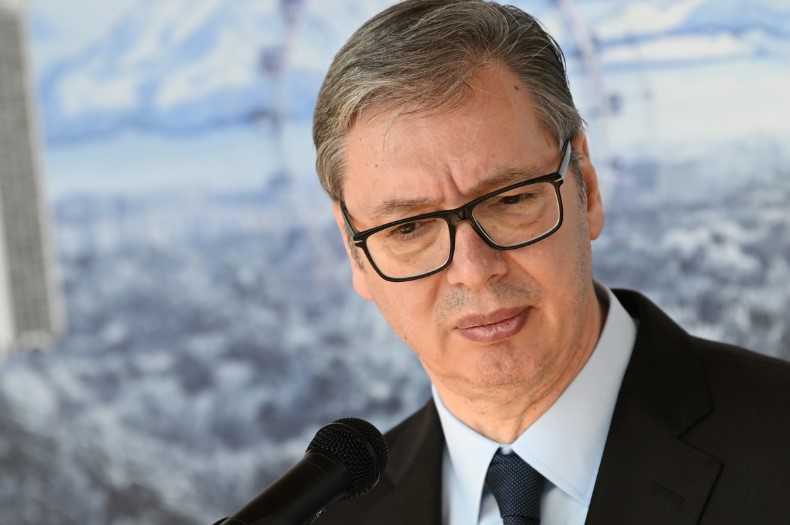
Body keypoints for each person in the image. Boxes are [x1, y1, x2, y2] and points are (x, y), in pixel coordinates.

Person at [310, 1, 790, 524]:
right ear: (354, 250)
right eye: (408, 228)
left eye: (511, 200)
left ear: (586, 185)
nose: (473, 270)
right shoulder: (335, 517)